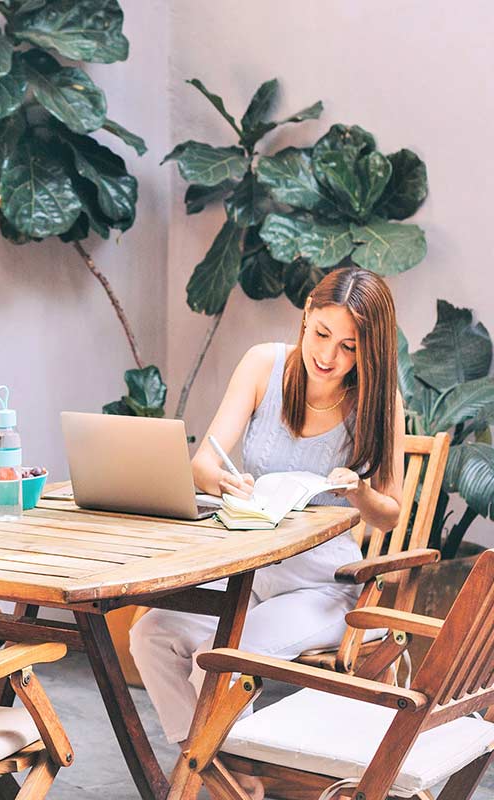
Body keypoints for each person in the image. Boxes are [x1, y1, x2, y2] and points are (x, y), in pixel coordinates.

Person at [129, 267, 405, 800]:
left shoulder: (376, 400)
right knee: (149, 635)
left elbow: (389, 512)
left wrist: (357, 491)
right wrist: (225, 479)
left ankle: (218, 775)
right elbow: (203, 462)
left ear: (368, 352)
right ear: (305, 315)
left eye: (350, 348)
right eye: (321, 334)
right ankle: (232, 777)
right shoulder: (263, 364)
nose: (329, 357)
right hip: (245, 568)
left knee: (223, 657)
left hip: (324, 584)